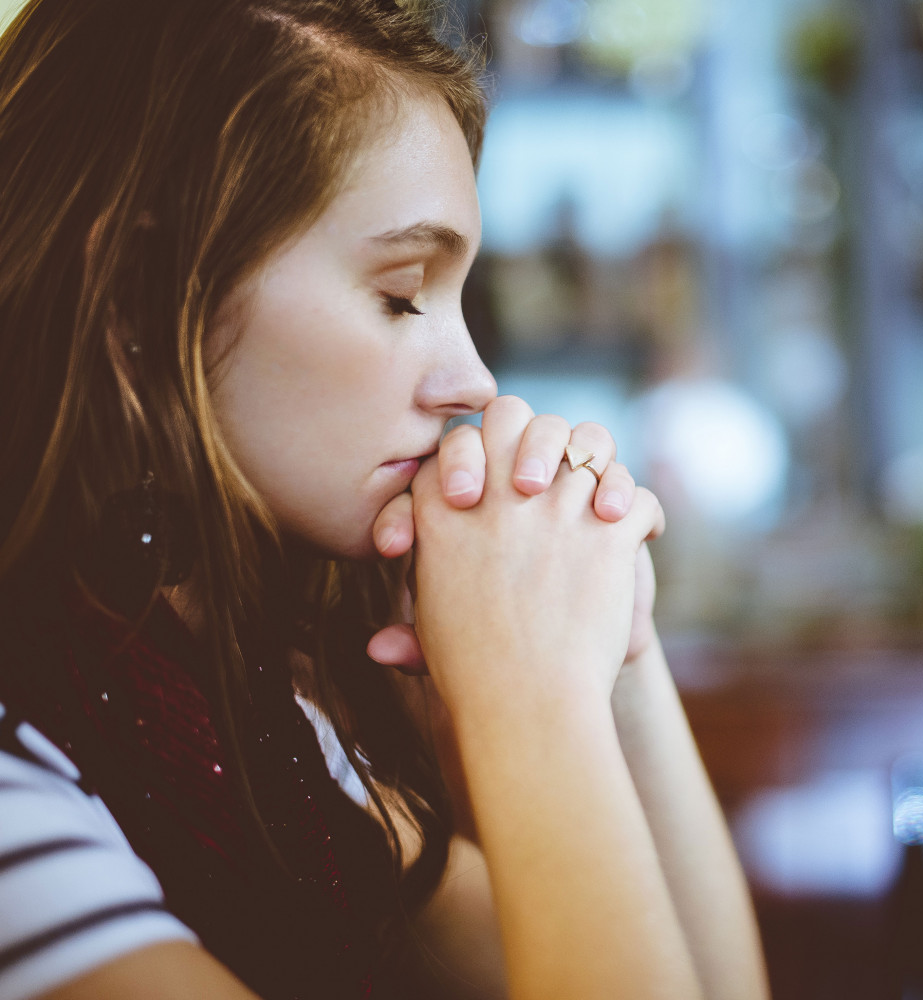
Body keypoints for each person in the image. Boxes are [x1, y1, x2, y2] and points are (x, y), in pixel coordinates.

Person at [0, 1, 769, 998]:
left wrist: (611, 639)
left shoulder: (247, 714)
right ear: (145, 296)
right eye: (402, 293)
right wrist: (528, 698)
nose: (477, 382)